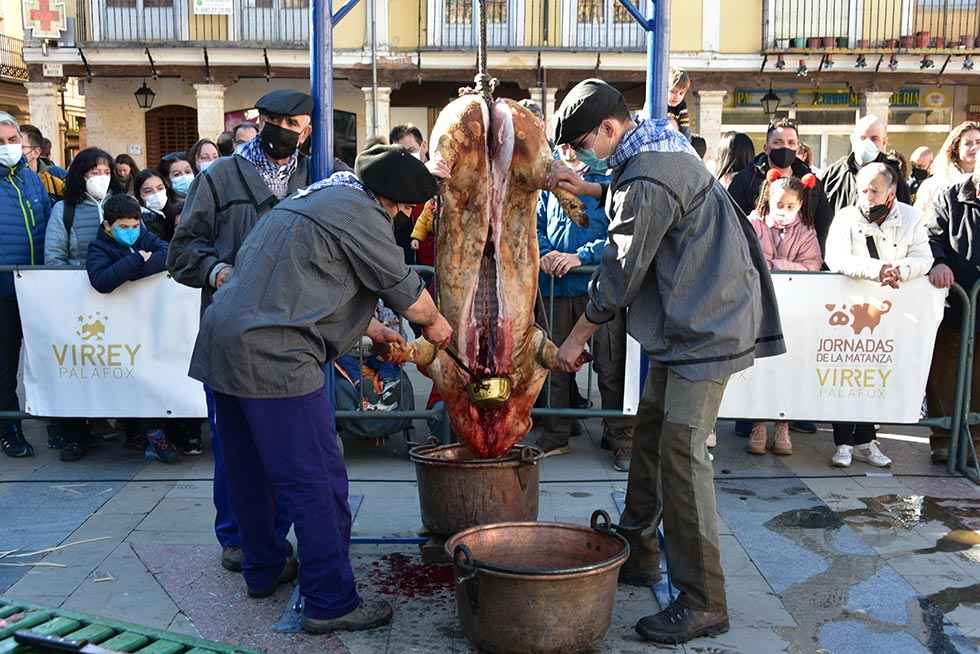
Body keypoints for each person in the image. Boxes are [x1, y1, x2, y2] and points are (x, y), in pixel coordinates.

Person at [550, 79, 784, 644]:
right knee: (651, 434)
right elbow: (643, 190)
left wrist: (575, 339)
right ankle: (637, 551)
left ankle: (703, 600)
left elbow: (619, 276)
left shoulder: (647, 176)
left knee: (682, 453)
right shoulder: (658, 143)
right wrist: (588, 183)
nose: (580, 155)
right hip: (690, 319)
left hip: (706, 326)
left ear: (609, 128)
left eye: (582, 145)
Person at [187, 145, 451, 634]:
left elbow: (306, 280)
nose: (400, 217)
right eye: (402, 209)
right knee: (317, 481)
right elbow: (410, 296)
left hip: (223, 343)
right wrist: (439, 328)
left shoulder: (312, 199)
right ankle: (330, 601)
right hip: (276, 357)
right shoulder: (363, 214)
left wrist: (373, 328)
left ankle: (263, 568)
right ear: (393, 201)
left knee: (249, 470)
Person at [168, 90, 315, 574]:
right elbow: (182, 252)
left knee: (290, 450)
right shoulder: (217, 178)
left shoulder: (316, 176)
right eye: (273, 120)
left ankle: (274, 539)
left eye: (292, 123)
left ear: (308, 130)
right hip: (233, 334)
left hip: (294, 336)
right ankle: (237, 538)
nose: (282, 130)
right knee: (236, 448)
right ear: (259, 121)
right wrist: (217, 272)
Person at [824, 163, 933, 469]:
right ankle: (843, 443)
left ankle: (867, 440)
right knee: (847, 374)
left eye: (874, 190)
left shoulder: (911, 217)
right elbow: (835, 257)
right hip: (851, 309)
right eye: (863, 190)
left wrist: (900, 270)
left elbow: (923, 257)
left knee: (875, 375)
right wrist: (877, 270)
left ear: (891, 192)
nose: (868, 196)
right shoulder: (846, 217)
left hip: (892, 311)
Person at [533, 144, 634, 471]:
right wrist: (546, 253)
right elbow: (535, 225)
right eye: (563, 141)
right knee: (554, 362)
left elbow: (619, 235)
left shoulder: (607, 180)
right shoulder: (547, 185)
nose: (568, 148)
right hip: (556, 289)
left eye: (574, 141)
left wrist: (581, 257)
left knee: (610, 364)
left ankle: (619, 435)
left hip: (600, 289)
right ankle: (556, 432)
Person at [84, 194, 182, 462]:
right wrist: (138, 258)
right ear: (108, 225)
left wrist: (131, 270)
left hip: (147, 324)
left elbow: (168, 253)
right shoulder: (98, 247)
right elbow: (102, 280)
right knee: (131, 381)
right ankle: (143, 434)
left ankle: (153, 434)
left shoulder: (143, 237)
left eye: (135, 226)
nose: (131, 231)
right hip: (117, 329)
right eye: (124, 227)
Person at [44, 147, 117, 460]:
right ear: (80, 175)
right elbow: (54, 256)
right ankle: (75, 434)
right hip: (77, 303)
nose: (101, 178)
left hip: (118, 297)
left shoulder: (121, 204)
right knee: (78, 367)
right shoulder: (65, 210)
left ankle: (130, 427)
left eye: (105, 172)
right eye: (93, 172)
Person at [746, 170, 823, 456]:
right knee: (759, 366)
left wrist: (775, 265)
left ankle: (783, 424)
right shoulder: (754, 223)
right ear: (768, 199)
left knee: (788, 367)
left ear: (800, 205)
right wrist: (780, 264)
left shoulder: (806, 231)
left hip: (793, 309)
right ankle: (758, 424)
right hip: (758, 306)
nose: (784, 210)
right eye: (779, 204)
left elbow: (813, 265)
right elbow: (748, 257)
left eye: (791, 205)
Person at [0, 112, 51, 458]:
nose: (7, 147)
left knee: (43, 358)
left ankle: (56, 423)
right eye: (0, 142)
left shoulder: (31, 178)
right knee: (5, 364)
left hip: (36, 289)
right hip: (3, 289)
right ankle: (9, 428)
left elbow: (46, 221)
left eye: (12, 140)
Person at [926, 158, 980, 464]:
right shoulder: (950, 196)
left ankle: (976, 441)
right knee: (943, 370)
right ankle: (943, 439)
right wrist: (938, 262)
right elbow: (931, 236)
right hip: (953, 300)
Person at [821, 115, 911, 216]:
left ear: (884, 142)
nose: (867, 143)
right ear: (853, 139)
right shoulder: (834, 173)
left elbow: (904, 214)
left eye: (874, 139)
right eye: (862, 138)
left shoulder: (894, 174)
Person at [915, 122, 980, 226]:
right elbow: (919, 221)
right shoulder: (935, 183)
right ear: (956, 148)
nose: (974, 147)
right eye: (968, 143)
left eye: (978, 142)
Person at [19, 124, 65, 200]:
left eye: (20, 147)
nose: (14, 151)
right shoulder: (6, 179)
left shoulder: (56, 174)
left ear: (36, 152)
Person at [134, 169, 181, 241]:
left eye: (160, 188)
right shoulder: (142, 221)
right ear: (139, 195)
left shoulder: (176, 210)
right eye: (148, 191)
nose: (156, 193)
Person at [666, 68, 691, 140]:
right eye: (673, 91)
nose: (676, 97)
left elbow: (685, 129)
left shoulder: (681, 107)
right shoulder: (657, 103)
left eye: (681, 93)